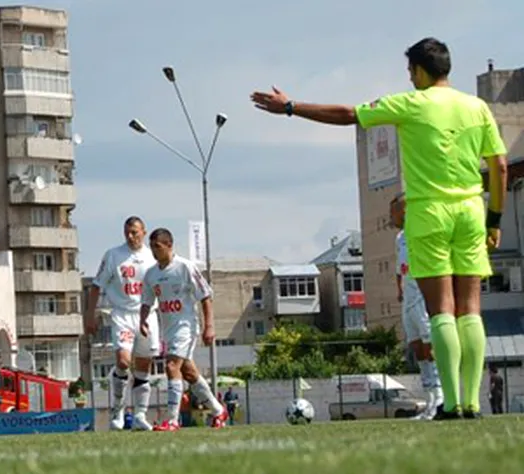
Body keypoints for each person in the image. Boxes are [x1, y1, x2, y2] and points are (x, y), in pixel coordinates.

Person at [251, 37, 508, 419]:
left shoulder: (411, 103)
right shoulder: (477, 107)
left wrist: (290, 107)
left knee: (441, 311)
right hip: (471, 210)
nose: (409, 78)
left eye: (410, 71)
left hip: (428, 213)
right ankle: (473, 401)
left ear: (420, 71)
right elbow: (500, 166)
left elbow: (348, 114)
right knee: (470, 310)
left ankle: (452, 404)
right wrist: (495, 220)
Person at [139, 228, 229, 431]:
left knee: (172, 366)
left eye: (157, 247)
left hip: (186, 326)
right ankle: (218, 410)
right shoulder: (152, 274)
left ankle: (172, 420)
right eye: (152, 247)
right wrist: (142, 320)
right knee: (188, 373)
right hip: (168, 329)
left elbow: (205, 295)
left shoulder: (185, 267)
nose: (154, 251)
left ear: (169, 245)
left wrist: (209, 326)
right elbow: (146, 300)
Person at [85, 216, 160, 431]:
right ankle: (117, 411)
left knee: (144, 366)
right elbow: (96, 285)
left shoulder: (152, 257)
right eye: (127, 232)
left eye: (135, 232)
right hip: (122, 314)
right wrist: (90, 315)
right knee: (123, 360)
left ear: (143, 232)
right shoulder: (113, 255)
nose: (130, 236)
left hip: (147, 315)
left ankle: (140, 415)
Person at [393, 193, 445, 420]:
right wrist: (399, 290)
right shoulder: (400, 238)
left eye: (393, 210)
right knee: (417, 348)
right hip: (408, 299)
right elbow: (399, 268)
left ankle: (440, 397)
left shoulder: (422, 231)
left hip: (422, 296)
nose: (390, 216)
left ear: (404, 211)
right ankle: (430, 398)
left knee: (429, 346)